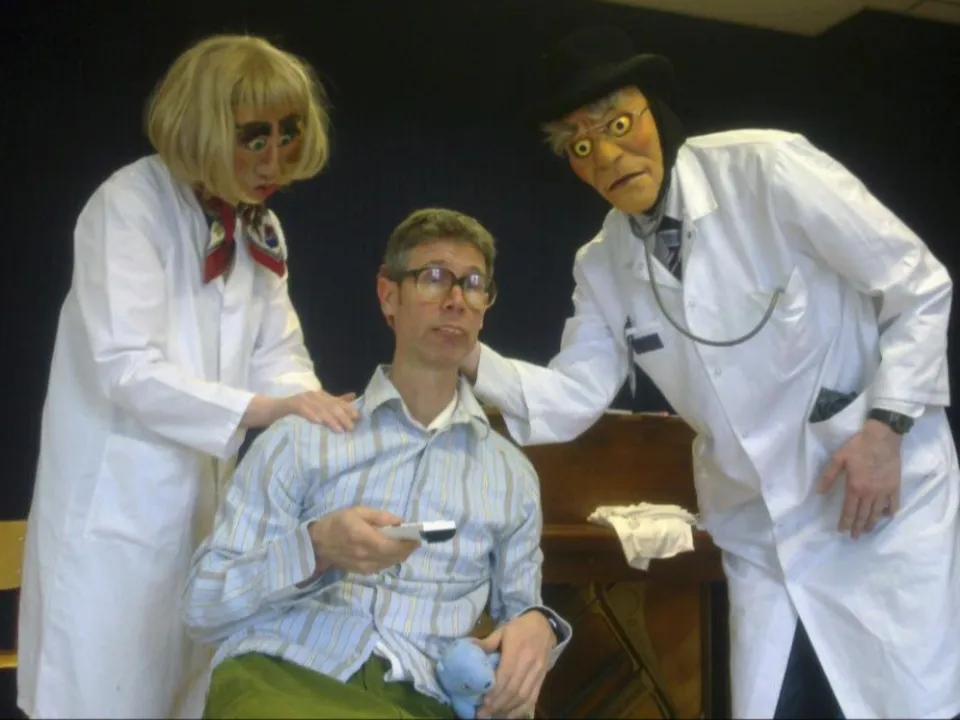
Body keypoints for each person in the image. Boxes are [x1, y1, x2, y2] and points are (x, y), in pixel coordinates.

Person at [460, 25, 960, 720]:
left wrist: (886, 430)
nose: (608, 155)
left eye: (619, 124)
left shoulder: (769, 170)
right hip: (761, 534)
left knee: (900, 704)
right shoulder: (602, 264)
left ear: (657, 111)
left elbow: (918, 285)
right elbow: (573, 395)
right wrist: (465, 354)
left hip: (874, 510)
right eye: (581, 145)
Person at [17, 34, 360, 719]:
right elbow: (127, 368)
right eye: (254, 139)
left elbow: (278, 351)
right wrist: (266, 408)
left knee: (186, 692)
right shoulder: (128, 206)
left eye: (287, 136)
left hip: (204, 518)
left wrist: (317, 410)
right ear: (202, 128)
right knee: (103, 693)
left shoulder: (258, 226)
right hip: (119, 516)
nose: (274, 161)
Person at [180, 208, 572, 720]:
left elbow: (521, 616)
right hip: (284, 674)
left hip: (424, 696)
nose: (456, 299)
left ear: (483, 310)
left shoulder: (512, 476)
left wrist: (540, 626)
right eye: (434, 277)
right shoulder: (301, 440)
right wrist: (316, 548)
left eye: (474, 284)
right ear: (389, 296)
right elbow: (202, 607)